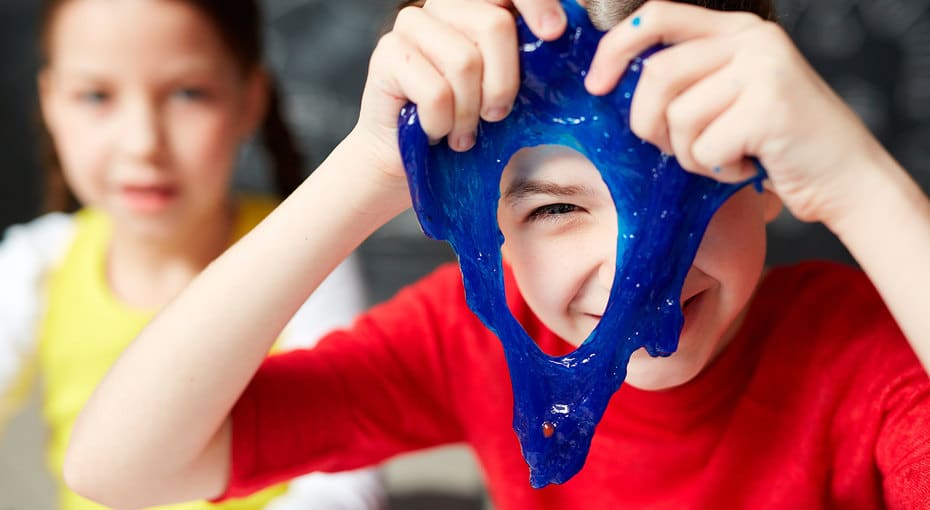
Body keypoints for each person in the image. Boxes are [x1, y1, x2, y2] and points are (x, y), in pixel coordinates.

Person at [65, 0, 930, 508]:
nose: (632, 271)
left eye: (682, 184)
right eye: (555, 205)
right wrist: (371, 166)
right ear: (486, 223)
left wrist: (862, 186)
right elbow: (121, 468)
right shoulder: (467, 342)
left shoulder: (867, 359)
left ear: (768, 169)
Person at [0, 0, 385, 508]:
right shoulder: (37, 263)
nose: (143, 144)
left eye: (188, 94)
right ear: (49, 102)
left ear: (250, 100)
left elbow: (344, 482)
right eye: (96, 95)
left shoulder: (314, 260)